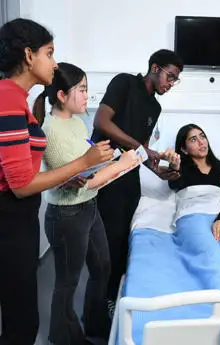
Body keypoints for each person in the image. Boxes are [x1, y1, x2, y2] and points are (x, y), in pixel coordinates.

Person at [0, 19, 113, 345]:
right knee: (21, 321)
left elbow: (25, 173)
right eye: (49, 53)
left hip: (19, 216)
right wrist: (84, 164)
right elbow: (20, 184)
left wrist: (78, 173)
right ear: (28, 55)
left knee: (22, 317)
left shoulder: (18, 99)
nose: (55, 62)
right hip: (10, 219)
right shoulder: (8, 96)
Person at [33, 62, 138, 345]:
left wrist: (116, 159)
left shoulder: (78, 123)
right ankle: (63, 336)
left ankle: (94, 323)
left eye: (87, 89)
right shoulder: (51, 132)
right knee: (67, 283)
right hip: (67, 215)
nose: (86, 96)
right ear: (61, 96)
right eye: (81, 89)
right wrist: (124, 165)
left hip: (89, 209)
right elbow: (83, 181)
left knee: (102, 267)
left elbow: (89, 165)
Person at [91, 49, 184, 313]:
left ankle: (113, 299)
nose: (171, 83)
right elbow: (102, 121)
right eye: (170, 76)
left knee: (122, 242)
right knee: (106, 243)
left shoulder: (155, 107)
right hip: (105, 172)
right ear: (155, 68)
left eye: (176, 80)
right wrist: (141, 149)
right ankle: (98, 307)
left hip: (129, 179)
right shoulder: (124, 83)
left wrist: (158, 170)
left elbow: (142, 150)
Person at [167, 124, 220, 241]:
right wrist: (175, 167)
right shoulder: (181, 170)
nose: (201, 142)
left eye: (202, 137)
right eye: (193, 139)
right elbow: (173, 184)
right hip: (194, 217)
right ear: (184, 149)